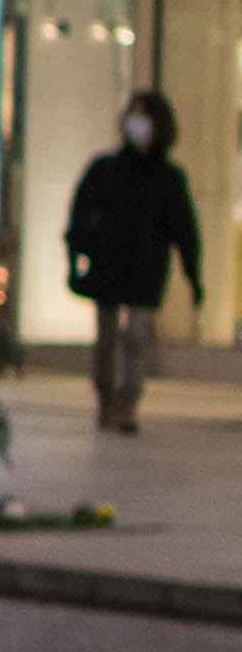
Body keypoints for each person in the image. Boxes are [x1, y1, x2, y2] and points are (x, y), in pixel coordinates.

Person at [65, 89, 204, 432]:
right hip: (108, 269)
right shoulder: (105, 170)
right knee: (108, 338)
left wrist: (193, 276)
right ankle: (106, 398)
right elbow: (80, 218)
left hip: (146, 272)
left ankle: (128, 402)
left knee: (137, 338)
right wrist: (76, 261)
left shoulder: (169, 179)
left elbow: (184, 231)